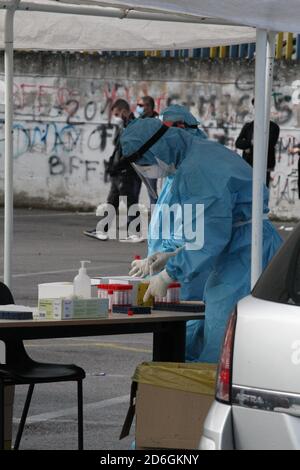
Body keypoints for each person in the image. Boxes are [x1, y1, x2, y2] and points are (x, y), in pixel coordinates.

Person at [121, 118, 282, 363]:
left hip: (246, 254)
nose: (145, 168)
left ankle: (210, 398)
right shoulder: (198, 155)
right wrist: (172, 254)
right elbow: (208, 226)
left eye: (144, 162)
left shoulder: (198, 171)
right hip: (242, 247)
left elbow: (210, 235)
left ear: (158, 149)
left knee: (224, 339)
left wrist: (170, 273)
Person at [130, 105, 210, 361]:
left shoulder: (196, 171)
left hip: (191, 273)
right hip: (177, 268)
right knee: (175, 345)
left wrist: (169, 262)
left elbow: (198, 233)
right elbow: (170, 221)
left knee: (192, 345)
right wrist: (156, 257)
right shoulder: (177, 170)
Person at [83, 99, 143, 243]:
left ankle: (135, 232)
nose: (116, 117)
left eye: (117, 113)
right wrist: (113, 165)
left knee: (130, 202)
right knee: (112, 201)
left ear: (123, 111)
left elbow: (130, 151)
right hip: (119, 170)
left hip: (126, 171)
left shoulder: (133, 126)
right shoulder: (124, 126)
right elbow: (118, 148)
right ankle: (102, 230)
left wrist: (119, 165)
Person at [235, 98, 280, 187]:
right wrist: (251, 143)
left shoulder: (273, 127)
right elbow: (238, 143)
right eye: (256, 107)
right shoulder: (248, 126)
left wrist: (248, 146)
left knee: (262, 191)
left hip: (265, 166)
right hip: (248, 164)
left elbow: (268, 144)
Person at [136, 96, 159, 206]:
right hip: (136, 162)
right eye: (139, 105)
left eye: (142, 105)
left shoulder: (157, 122)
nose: (139, 108)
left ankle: (156, 220)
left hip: (151, 163)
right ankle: (132, 222)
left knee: (152, 194)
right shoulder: (137, 122)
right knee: (133, 193)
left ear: (149, 107)